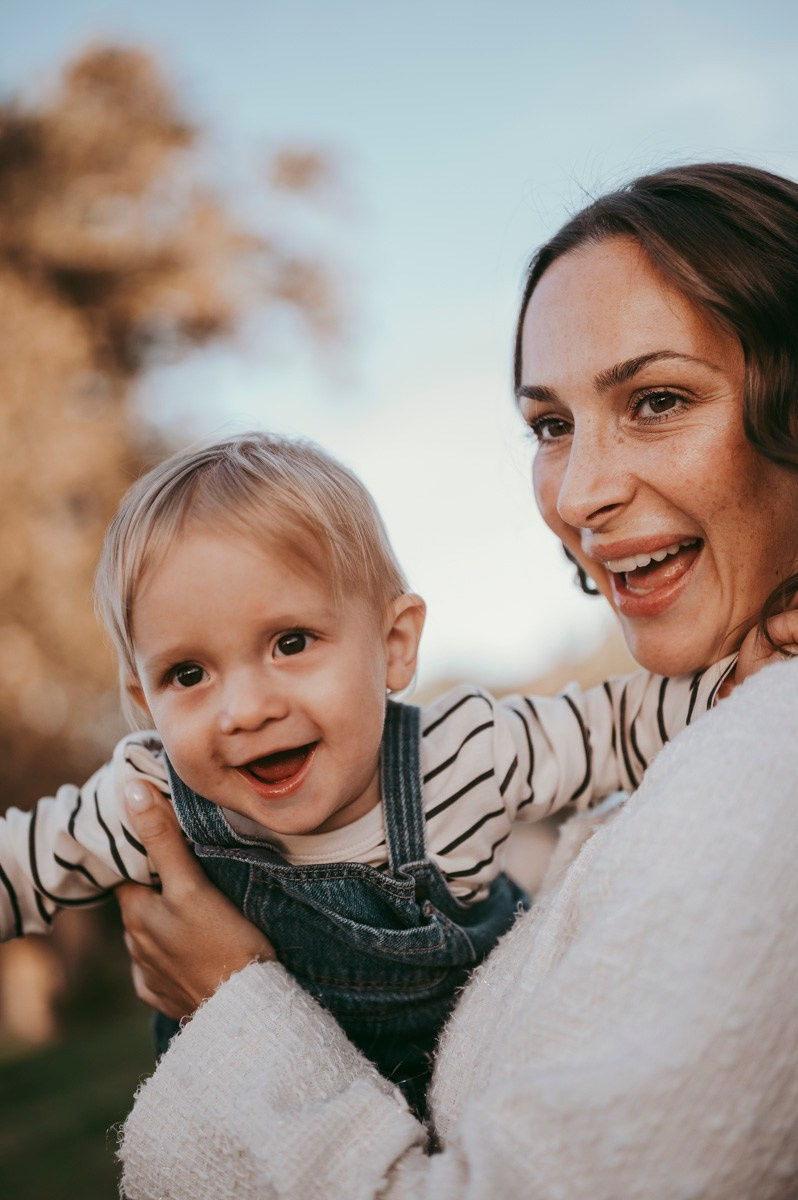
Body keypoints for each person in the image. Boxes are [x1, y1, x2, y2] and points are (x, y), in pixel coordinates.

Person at [115, 162, 798, 1199]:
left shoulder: (770, 774)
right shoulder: (733, 714)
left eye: (657, 401)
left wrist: (229, 1002)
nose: (580, 492)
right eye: (550, 426)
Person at [0, 433, 734, 1113]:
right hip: (264, 1149)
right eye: (188, 673)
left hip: (481, 1116)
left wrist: (755, 659)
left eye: (291, 642)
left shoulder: (463, 756)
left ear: (393, 645)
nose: (246, 710)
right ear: (144, 701)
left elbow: (623, 725)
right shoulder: (150, 800)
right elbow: (18, 866)